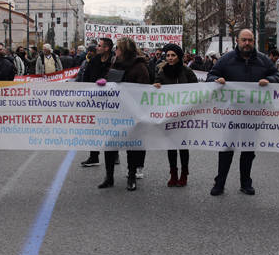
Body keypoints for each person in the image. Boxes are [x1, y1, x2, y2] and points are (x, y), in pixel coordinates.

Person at [206, 28, 279, 196]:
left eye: (250, 40)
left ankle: (246, 183)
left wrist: (269, 80)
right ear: (237, 41)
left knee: (248, 151)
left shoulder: (263, 60)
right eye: (244, 40)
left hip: (253, 115)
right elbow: (211, 76)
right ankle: (219, 183)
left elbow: (278, 75)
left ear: (253, 42)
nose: (247, 43)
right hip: (231, 114)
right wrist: (216, 80)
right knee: (226, 150)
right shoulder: (226, 59)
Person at [98, 37, 150, 191]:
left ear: (125, 51)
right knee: (110, 144)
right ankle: (109, 177)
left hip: (131, 113)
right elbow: (111, 82)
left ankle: (132, 176)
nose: (116, 51)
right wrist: (104, 83)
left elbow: (143, 91)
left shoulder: (139, 67)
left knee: (132, 146)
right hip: (115, 112)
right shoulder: (116, 63)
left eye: (118, 48)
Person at [153, 43, 198, 187]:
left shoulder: (187, 71)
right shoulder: (162, 71)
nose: (170, 58)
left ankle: (184, 173)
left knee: (182, 146)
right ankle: (173, 173)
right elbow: (155, 86)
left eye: (173, 55)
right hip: (169, 114)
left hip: (184, 114)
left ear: (179, 56)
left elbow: (197, 89)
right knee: (171, 145)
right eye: (168, 56)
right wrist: (156, 86)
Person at [80, 38, 115, 167]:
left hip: (109, 102)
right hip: (94, 101)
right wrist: (85, 91)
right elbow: (86, 77)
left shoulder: (114, 61)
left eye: (99, 46)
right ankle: (94, 156)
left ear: (107, 48)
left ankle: (113, 154)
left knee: (110, 129)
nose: (97, 48)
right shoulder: (94, 60)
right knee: (93, 128)